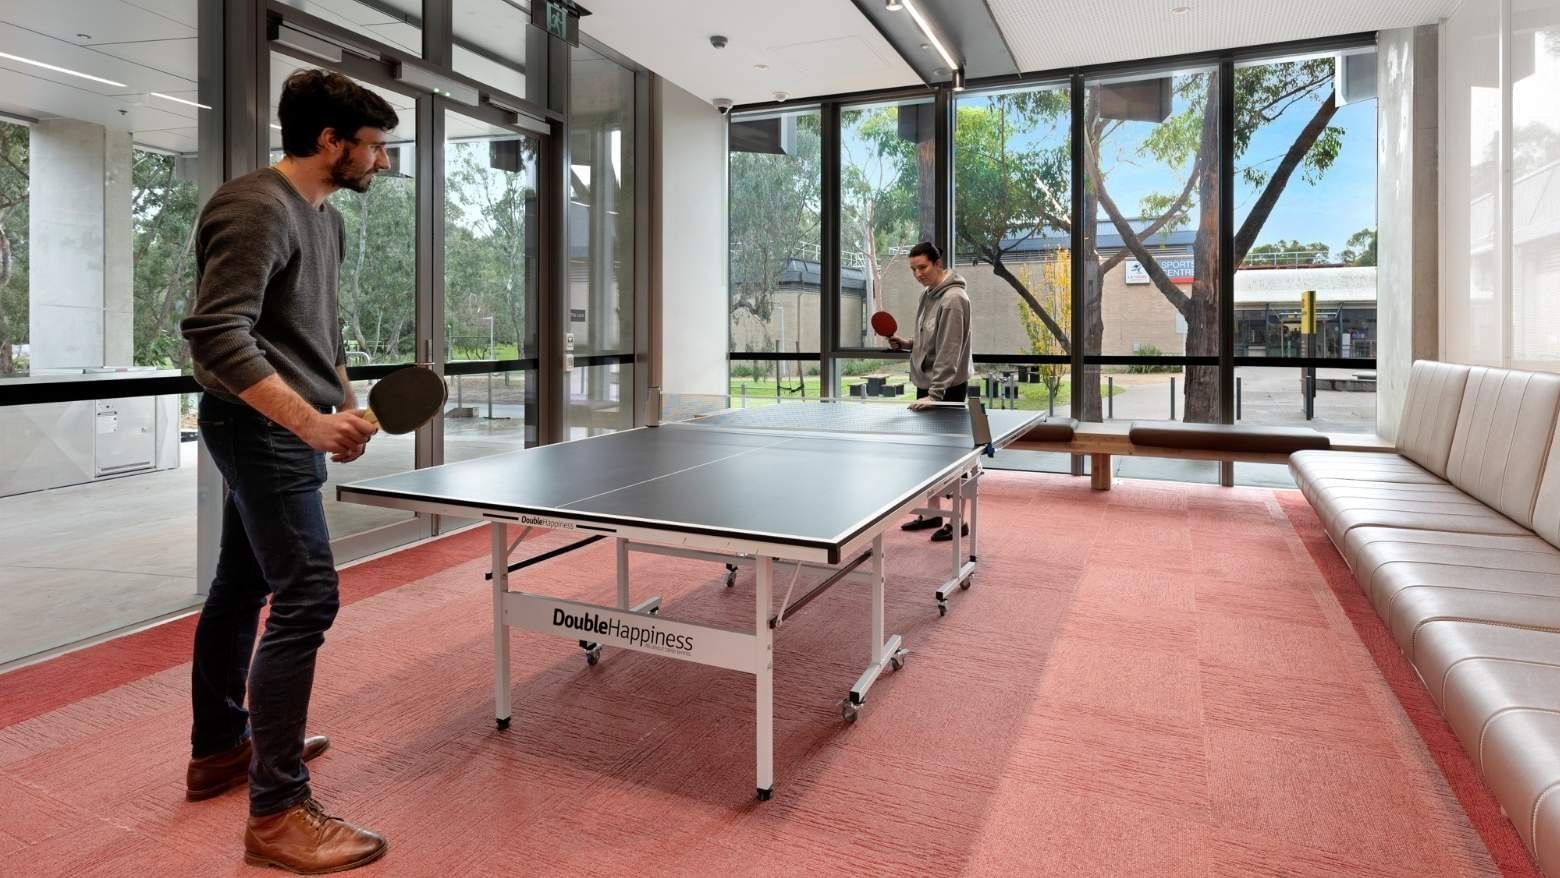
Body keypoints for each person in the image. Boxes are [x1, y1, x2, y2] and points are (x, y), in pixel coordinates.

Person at [179, 69, 395, 874]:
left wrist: (344, 408)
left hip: (291, 429)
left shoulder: (324, 221)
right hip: (256, 427)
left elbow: (320, 337)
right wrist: (307, 421)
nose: (379, 162)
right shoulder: (254, 205)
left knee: (242, 587)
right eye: (372, 146)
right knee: (309, 594)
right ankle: (276, 810)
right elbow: (215, 334)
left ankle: (222, 748)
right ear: (331, 141)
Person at [888, 241, 974, 542]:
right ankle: (934, 514)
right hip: (927, 386)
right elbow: (932, 340)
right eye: (913, 269)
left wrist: (936, 395)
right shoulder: (928, 296)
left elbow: (950, 351)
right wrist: (907, 343)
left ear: (938, 263)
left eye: (922, 267)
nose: (918, 274)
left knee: (952, 458)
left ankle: (959, 522)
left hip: (946, 389)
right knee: (929, 457)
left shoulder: (953, 299)